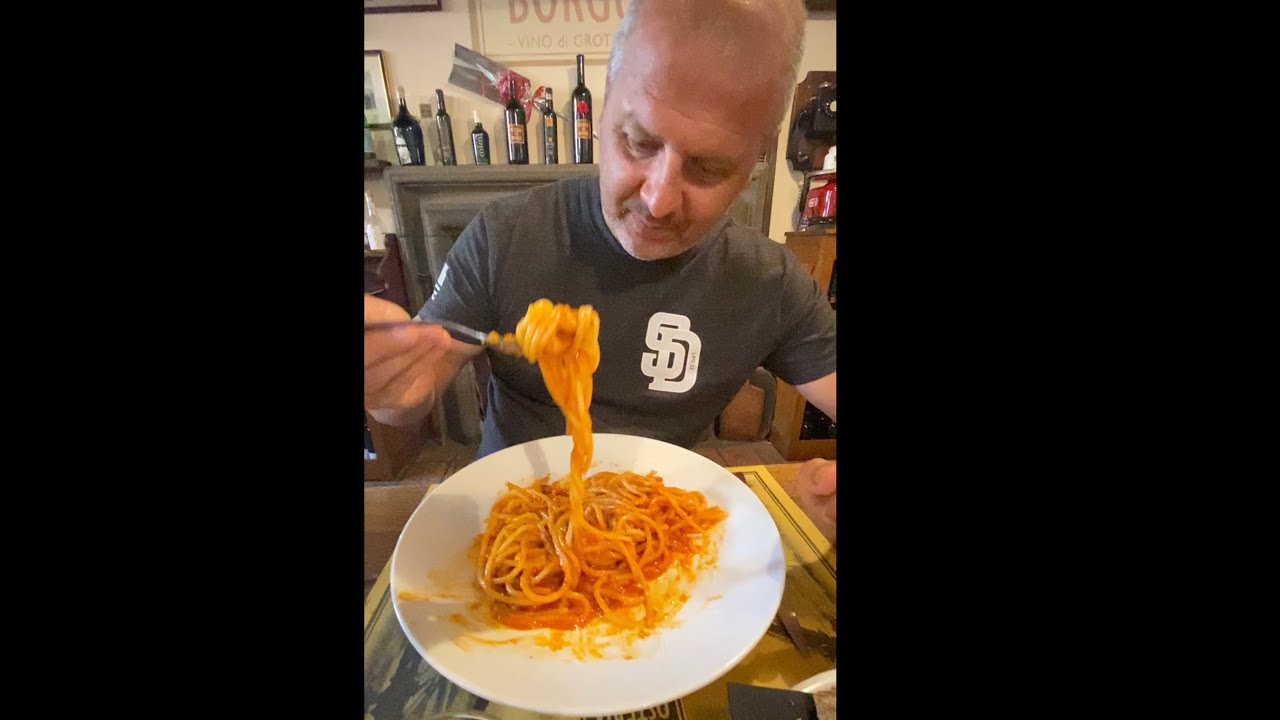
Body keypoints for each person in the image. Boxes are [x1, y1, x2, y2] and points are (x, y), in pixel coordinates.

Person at [364, 0, 837, 536]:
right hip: (506, 520)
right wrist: (389, 384)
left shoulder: (767, 280)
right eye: (638, 142)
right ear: (606, 104)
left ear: (757, 156)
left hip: (659, 530)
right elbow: (414, 385)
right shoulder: (505, 235)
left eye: (708, 168)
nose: (658, 200)